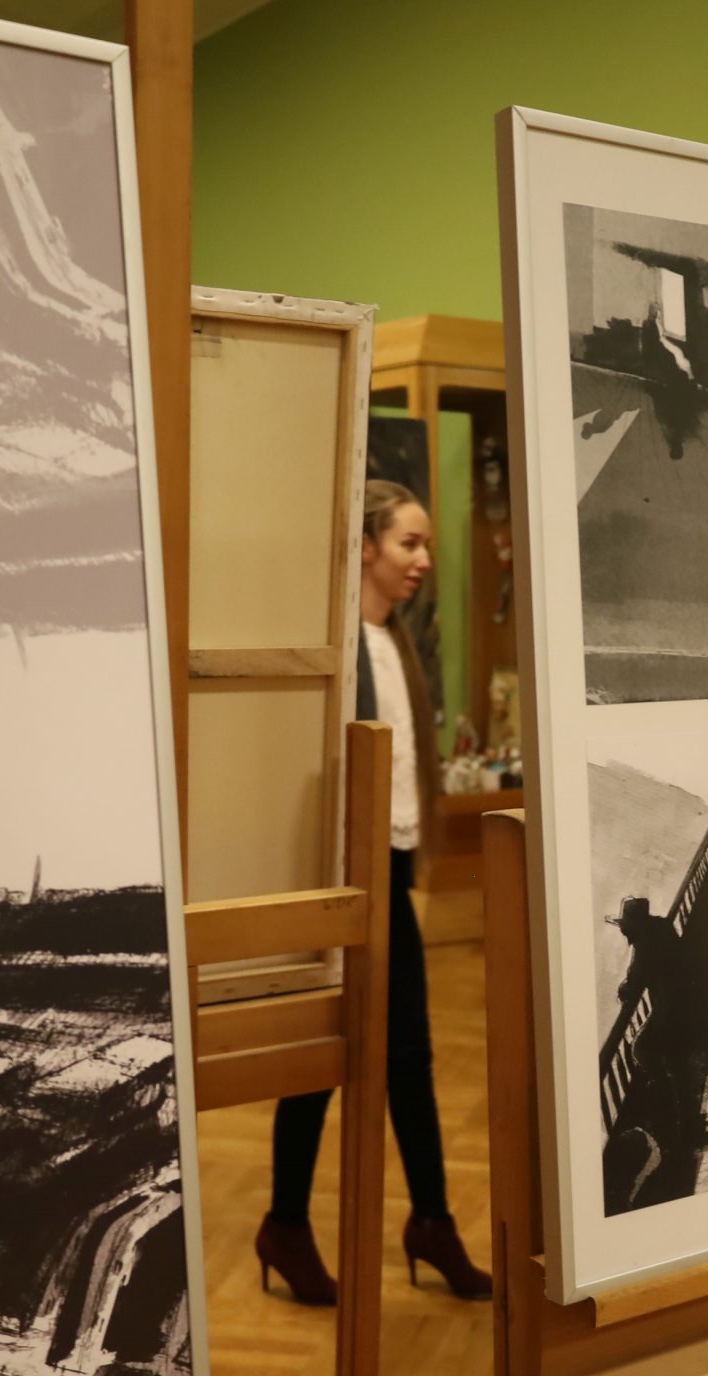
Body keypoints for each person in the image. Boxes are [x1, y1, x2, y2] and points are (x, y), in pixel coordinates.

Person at [260, 481, 492, 1306]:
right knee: (330, 1051)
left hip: (386, 868)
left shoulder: (394, 642)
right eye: (408, 543)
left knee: (403, 1054)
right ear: (365, 547)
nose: (423, 559)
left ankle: (415, 1219)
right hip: (343, 875)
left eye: (424, 545)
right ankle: (308, 1223)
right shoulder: (340, 647)